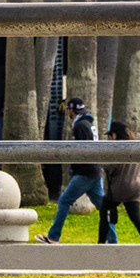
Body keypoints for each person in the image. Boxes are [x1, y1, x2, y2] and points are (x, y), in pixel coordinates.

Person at [35, 97, 101, 244]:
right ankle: (113, 241)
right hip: (94, 170)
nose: (67, 112)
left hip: (85, 172)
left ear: (71, 109)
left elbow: (82, 150)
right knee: (104, 207)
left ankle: (53, 237)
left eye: (68, 109)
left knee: (64, 200)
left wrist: (75, 168)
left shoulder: (80, 126)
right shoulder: (88, 123)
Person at [100, 122, 140, 245]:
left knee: (104, 212)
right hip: (135, 187)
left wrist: (102, 163)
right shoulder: (135, 146)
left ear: (115, 135)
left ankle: (101, 243)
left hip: (120, 188)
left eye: (111, 135)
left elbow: (112, 167)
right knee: (136, 219)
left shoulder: (118, 149)